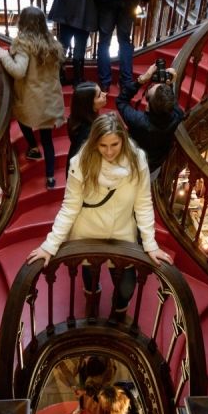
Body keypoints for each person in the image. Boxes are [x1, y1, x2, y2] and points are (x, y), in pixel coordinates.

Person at [28, 113, 171, 319]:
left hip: (122, 233)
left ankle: (118, 314)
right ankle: (92, 304)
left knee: (126, 286)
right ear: (95, 142)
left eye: (115, 144)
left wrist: (150, 244)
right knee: (90, 278)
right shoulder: (81, 162)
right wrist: (50, 245)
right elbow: (70, 207)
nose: (109, 151)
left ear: (123, 139)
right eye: (103, 146)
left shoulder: (137, 160)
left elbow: (143, 204)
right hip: (88, 232)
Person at [0, 7, 65, 189]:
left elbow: (19, 72)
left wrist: (4, 56)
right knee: (48, 138)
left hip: (32, 97)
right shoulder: (52, 43)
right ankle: (50, 178)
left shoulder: (23, 44)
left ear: (23, 23)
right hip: (49, 98)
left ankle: (33, 147)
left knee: (20, 116)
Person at [115, 62, 183, 176]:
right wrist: (169, 85)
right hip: (154, 167)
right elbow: (172, 103)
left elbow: (121, 101)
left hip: (132, 164)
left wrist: (142, 79)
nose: (153, 85)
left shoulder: (137, 120)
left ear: (148, 105)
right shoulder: (177, 116)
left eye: (151, 89)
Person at [66, 82, 107, 175]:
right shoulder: (89, 132)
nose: (105, 94)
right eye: (99, 95)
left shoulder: (76, 118)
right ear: (89, 104)